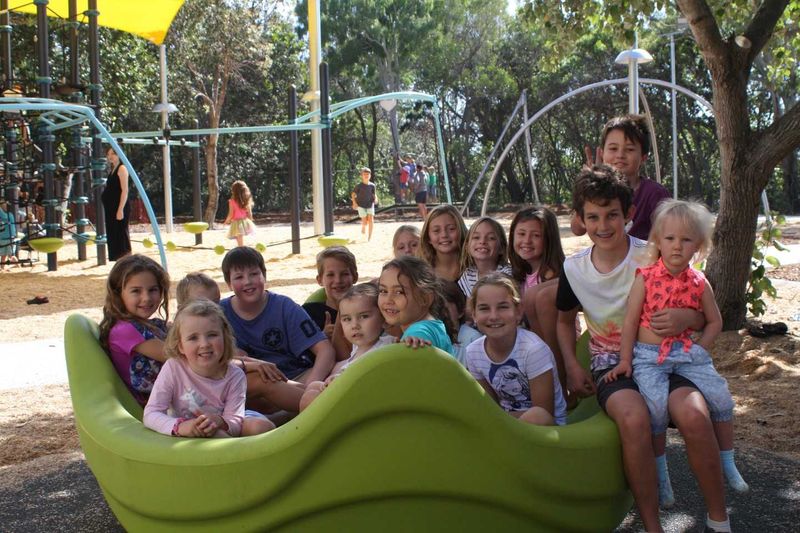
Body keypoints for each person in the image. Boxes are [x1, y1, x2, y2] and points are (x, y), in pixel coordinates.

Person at [556, 166, 730, 533]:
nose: (603, 225)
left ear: (629, 215)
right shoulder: (575, 269)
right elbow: (563, 319)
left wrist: (689, 318)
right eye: (593, 216)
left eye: (612, 215)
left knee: (695, 415)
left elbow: (700, 308)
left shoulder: (653, 255)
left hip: (668, 354)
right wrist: (572, 364)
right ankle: (653, 526)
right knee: (633, 419)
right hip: (611, 361)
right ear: (580, 219)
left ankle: (719, 518)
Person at [607, 199, 748, 502]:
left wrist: (700, 349)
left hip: (686, 354)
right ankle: (662, 474)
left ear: (698, 245)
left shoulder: (699, 282)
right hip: (648, 356)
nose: (677, 246)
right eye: (670, 238)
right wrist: (626, 359)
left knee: (721, 397)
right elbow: (630, 322)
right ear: (657, 240)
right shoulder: (645, 277)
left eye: (686, 240)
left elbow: (715, 322)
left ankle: (728, 462)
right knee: (655, 410)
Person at [177, 270, 307, 416]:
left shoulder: (214, 326)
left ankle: (314, 395)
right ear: (182, 307)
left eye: (216, 302)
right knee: (263, 380)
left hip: (220, 380)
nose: (212, 309)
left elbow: (229, 357)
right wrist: (252, 364)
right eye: (203, 304)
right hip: (202, 388)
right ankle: (319, 407)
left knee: (268, 380)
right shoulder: (184, 332)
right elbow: (215, 363)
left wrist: (254, 363)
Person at [143, 299, 274, 437]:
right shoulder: (174, 367)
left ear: (224, 337)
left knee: (261, 427)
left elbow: (234, 422)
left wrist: (219, 422)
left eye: (212, 335)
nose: (204, 344)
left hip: (228, 421)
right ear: (180, 346)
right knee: (214, 436)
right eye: (193, 338)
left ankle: (282, 420)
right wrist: (180, 426)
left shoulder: (235, 375)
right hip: (186, 426)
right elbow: (151, 413)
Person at [220, 246, 335, 385]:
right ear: (228, 283)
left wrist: (311, 387)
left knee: (341, 369)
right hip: (251, 387)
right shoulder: (219, 313)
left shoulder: (284, 306)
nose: (247, 281)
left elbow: (325, 350)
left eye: (254, 274)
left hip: (296, 377)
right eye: (239, 277)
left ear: (264, 275)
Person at [466, 273, 566, 425]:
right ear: (474, 314)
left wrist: (494, 418)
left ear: (518, 312)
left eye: (503, 307)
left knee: (536, 416)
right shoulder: (473, 352)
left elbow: (545, 412)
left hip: (546, 429)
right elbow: (489, 404)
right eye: (484, 309)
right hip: (505, 424)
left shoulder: (533, 350)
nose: (493, 316)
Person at [299, 283, 395, 411]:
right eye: (347, 319)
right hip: (350, 400)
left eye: (364, 316)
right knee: (314, 386)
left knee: (310, 397)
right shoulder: (357, 348)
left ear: (384, 319)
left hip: (366, 406)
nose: (354, 325)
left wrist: (341, 380)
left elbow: (373, 378)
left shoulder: (387, 345)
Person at [576, 114, 670, 240]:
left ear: (643, 157)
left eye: (630, 149)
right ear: (602, 153)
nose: (620, 155)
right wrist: (592, 182)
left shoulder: (655, 193)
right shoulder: (594, 190)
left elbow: (669, 235)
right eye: (613, 148)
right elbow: (577, 229)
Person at [99, 255, 170, 406]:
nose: (146, 298)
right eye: (136, 291)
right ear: (118, 294)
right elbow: (177, 356)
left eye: (153, 290)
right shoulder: (125, 330)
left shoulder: (149, 325)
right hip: (152, 410)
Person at [378, 255, 455, 356]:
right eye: (383, 291)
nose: (388, 300)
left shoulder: (417, 335)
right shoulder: (432, 326)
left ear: (425, 298)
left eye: (399, 292)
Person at [458, 216, 513, 300]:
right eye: (476, 237)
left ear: (501, 248)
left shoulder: (507, 273)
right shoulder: (468, 275)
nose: (482, 241)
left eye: (491, 238)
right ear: (467, 247)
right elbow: (469, 309)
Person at [417, 204, 467, 282]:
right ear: (428, 238)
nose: (444, 235)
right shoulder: (421, 272)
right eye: (436, 230)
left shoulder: (474, 266)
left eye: (451, 229)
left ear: (461, 231)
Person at [101, 147, 132, 261]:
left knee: (121, 235)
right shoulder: (113, 169)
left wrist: (120, 209)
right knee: (114, 235)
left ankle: (127, 262)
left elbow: (125, 191)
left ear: (119, 154)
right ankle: (119, 262)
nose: (110, 156)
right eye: (108, 154)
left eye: (113, 154)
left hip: (119, 208)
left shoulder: (122, 168)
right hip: (111, 209)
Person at [441, 280, 482, 366]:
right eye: (434, 310)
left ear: (460, 312)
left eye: (445, 310)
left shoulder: (472, 339)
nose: (440, 315)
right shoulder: (429, 338)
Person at [224, 180, 256, 247]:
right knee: (241, 234)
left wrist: (227, 221)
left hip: (236, 222)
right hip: (245, 220)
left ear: (234, 191)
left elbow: (231, 214)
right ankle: (242, 247)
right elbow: (249, 213)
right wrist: (250, 219)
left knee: (239, 236)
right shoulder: (246, 200)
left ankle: (241, 247)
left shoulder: (232, 201)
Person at [351, 167, 377, 241]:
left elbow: (374, 194)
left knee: (371, 220)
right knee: (365, 222)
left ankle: (369, 237)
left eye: (368, 174)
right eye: (364, 174)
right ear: (361, 176)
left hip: (370, 204)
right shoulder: (358, 186)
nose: (366, 175)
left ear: (370, 176)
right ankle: (363, 225)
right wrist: (354, 203)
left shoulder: (372, 185)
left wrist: (376, 199)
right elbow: (353, 194)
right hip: (361, 205)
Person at [0, 198, 16, 269]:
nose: (4, 205)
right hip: (3, 237)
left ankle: (18, 266)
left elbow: (4, 216)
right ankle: (2, 267)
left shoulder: (9, 215)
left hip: (9, 237)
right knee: (3, 254)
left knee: (11, 255)